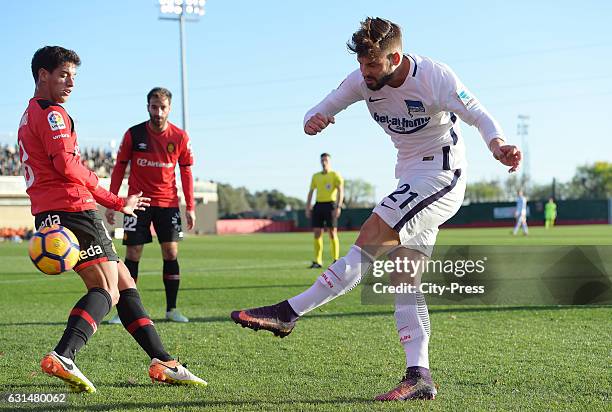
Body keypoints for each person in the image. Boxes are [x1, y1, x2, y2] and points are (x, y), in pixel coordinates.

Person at [231, 17, 521, 401]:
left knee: (369, 238)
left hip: (441, 175)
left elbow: (479, 114)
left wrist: (498, 144)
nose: (364, 73)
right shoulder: (360, 80)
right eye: (361, 64)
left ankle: (290, 312)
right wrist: (313, 121)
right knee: (404, 280)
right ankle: (419, 376)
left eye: (372, 64)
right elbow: (317, 109)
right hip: (408, 178)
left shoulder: (436, 77)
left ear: (395, 57)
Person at [18, 46, 206, 393]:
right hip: (73, 209)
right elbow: (66, 166)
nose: (71, 82)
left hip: (52, 210)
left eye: (74, 75)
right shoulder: (53, 114)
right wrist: (117, 200)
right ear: (42, 75)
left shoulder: (30, 113)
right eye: (63, 74)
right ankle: (64, 354)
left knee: (123, 284)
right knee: (106, 289)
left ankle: (162, 360)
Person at [105, 87, 195, 323]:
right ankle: (124, 311)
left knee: (171, 252)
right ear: (148, 107)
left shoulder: (180, 137)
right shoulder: (134, 134)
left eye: (162, 107)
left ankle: (172, 310)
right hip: (139, 203)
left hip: (168, 203)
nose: (158, 112)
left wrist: (191, 207)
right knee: (133, 254)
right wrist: (113, 201)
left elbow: (186, 173)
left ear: (169, 108)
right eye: (154, 107)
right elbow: (119, 168)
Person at [305, 153, 344, 268]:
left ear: (329, 161)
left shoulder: (335, 175)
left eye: (326, 160)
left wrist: (338, 206)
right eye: (322, 160)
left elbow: (341, 191)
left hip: (330, 205)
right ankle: (318, 261)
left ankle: (335, 259)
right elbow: (311, 192)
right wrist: (308, 207)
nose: (324, 162)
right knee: (317, 233)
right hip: (318, 205)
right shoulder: (316, 176)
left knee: (332, 232)